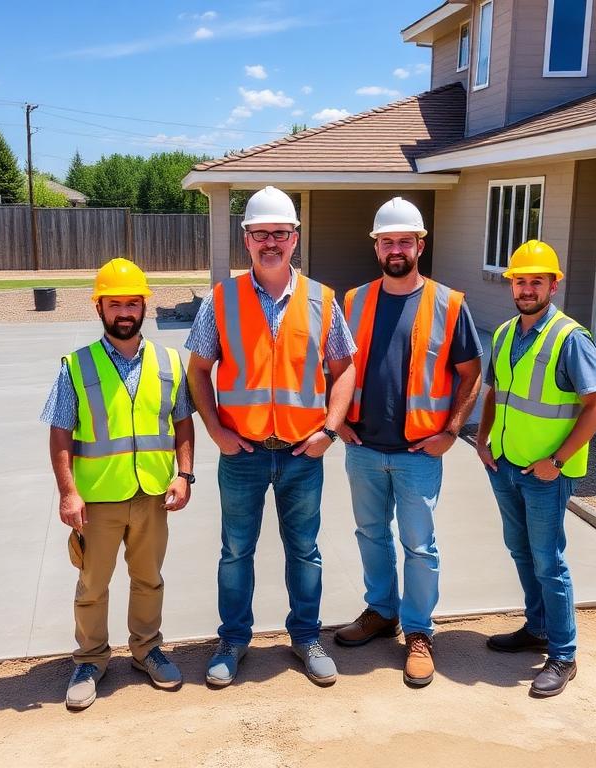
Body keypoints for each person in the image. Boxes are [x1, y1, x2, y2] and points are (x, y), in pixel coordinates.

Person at [185, 186, 356, 687]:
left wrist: (330, 430)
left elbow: (344, 370)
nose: (271, 242)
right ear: (247, 240)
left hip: (304, 454)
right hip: (243, 453)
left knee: (304, 550)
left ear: (295, 237)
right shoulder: (222, 299)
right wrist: (216, 432)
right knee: (236, 551)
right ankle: (233, 641)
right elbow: (197, 371)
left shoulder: (323, 300)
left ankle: (306, 638)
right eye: (261, 233)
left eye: (280, 232)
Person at [333, 197, 483, 687]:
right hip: (364, 449)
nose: (395, 249)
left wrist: (451, 431)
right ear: (376, 246)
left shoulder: (448, 303)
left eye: (404, 241)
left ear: (420, 244)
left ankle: (419, 632)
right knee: (370, 535)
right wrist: (337, 422)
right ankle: (381, 613)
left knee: (420, 546)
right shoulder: (353, 302)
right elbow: (331, 368)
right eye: (387, 241)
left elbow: (470, 374)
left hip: (420, 452)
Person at [41, 258, 196, 710]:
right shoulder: (77, 365)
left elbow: (182, 423)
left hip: (152, 494)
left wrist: (184, 476)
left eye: (132, 303)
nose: (125, 312)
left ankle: (147, 650)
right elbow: (59, 432)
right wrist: (68, 492)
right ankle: (90, 659)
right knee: (93, 584)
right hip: (99, 499)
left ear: (143, 306)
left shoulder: (169, 362)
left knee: (148, 579)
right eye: (115, 304)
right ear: (100, 309)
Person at [475, 240, 596, 698]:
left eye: (537, 281)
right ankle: (536, 628)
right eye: (520, 280)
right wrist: (481, 438)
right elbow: (495, 392)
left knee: (549, 561)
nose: (527, 288)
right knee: (521, 550)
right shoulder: (504, 333)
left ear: (555, 284)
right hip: (507, 464)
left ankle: (564, 654)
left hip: (545, 474)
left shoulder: (569, 338)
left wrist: (556, 462)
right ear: (511, 284)